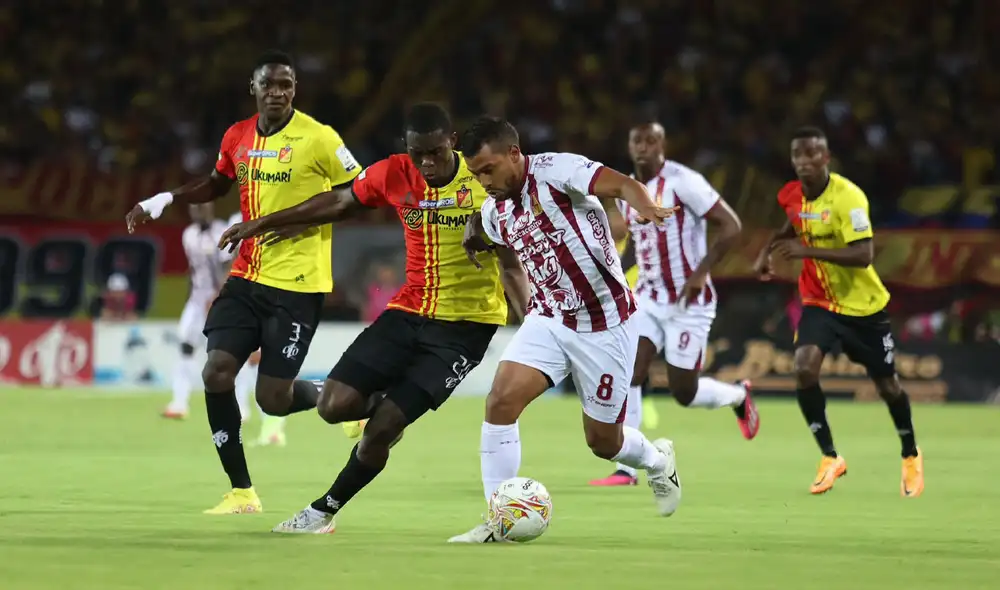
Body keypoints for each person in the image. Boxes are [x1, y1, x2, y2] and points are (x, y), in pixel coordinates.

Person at [218, 103, 530, 534]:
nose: (426, 163)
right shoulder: (394, 173)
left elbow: (512, 265)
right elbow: (341, 200)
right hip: (407, 311)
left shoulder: (482, 181)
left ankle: (322, 511)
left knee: (383, 428)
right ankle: (381, 404)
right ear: (406, 148)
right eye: (418, 153)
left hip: (465, 329)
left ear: (453, 143)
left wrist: (533, 325)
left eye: (436, 152)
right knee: (333, 407)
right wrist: (263, 222)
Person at [125, 50, 362, 514]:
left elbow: (356, 195)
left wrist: (289, 224)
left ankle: (344, 395)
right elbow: (217, 183)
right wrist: (165, 198)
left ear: (295, 90)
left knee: (272, 400)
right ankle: (242, 492)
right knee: (215, 371)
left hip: (297, 284)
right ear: (253, 88)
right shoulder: (237, 135)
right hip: (247, 275)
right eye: (268, 84)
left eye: (285, 85)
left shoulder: (320, 138)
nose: (277, 92)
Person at [449, 116, 682, 544]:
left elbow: (620, 185)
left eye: (488, 170)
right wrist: (475, 234)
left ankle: (657, 460)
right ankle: (498, 519)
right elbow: (505, 257)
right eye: (476, 174)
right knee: (500, 401)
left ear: (514, 154)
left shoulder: (557, 171)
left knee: (603, 442)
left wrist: (645, 204)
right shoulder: (494, 210)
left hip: (606, 323)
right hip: (550, 319)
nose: (483, 182)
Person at [753, 126, 923, 497]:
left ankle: (910, 453)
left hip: (863, 308)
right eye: (798, 155)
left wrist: (806, 251)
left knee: (888, 387)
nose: (804, 161)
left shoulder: (849, 198)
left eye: (812, 154)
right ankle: (830, 457)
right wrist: (766, 253)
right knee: (803, 368)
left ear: (826, 158)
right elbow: (791, 223)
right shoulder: (792, 194)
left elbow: (864, 255)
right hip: (819, 303)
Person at [590, 122, 759, 487]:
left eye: (651, 141)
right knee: (630, 371)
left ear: (662, 145)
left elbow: (731, 225)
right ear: (630, 146)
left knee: (685, 392)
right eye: (637, 141)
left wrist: (700, 274)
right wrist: (615, 273)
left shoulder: (684, 182)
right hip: (649, 297)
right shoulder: (625, 190)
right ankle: (626, 469)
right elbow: (639, 242)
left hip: (689, 301)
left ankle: (738, 396)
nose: (644, 147)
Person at [162, 203, 229, 420]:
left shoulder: (222, 232)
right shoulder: (188, 235)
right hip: (196, 300)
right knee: (186, 346)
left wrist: (219, 298)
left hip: (220, 299)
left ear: (211, 207)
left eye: (203, 206)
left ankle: (238, 406)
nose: (199, 211)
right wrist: (189, 301)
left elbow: (229, 268)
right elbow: (193, 270)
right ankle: (179, 402)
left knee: (228, 353)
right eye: (195, 207)